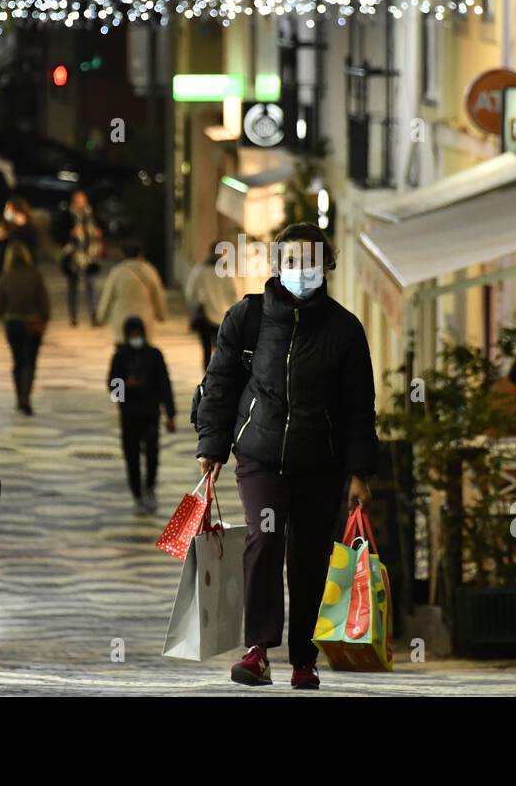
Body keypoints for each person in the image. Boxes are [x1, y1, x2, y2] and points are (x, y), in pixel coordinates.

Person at [194, 222, 378, 690]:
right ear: (277, 266)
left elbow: (359, 407)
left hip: (320, 464)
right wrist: (212, 447)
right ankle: (257, 650)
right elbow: (220, 384)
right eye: (292, 261)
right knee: (264, 540)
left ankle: (304, 658)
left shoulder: (345, 330)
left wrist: (359, 471)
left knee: (309, 559)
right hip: (260, 458)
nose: (301, 271)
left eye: (311, 262)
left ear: (327, 266)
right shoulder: (248, 318)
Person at [108, 316, 176, 514]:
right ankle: (137, 493)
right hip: (129, 415)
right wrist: (125, 386)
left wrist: (170, 413)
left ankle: (150, 487)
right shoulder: (120, 357)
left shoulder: (154, 355)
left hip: (150, 413)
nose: (136, 337)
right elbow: (114, 391)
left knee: (152, 453)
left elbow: (165, 384)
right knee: (132, 456)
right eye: (133, 333)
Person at [0, 241, 51, 415]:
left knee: (17, 361)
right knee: (29, 361)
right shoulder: (35, 275)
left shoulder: (5, 277)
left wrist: (4, 317)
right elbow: (44, 301)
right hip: (31, 323)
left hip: (12, 323)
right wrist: (44, 317)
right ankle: (25, 396)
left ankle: (19, 396)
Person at [95, 242, 166, 343]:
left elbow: (107, 296)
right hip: (144, 321)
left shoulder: (117, 272)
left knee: (122, 351)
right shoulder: (149, 271)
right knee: (145, 351)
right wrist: (161, 314)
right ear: (140, 255)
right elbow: (157, 294)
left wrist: (101, 317)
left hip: (122, 321)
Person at [184, 241, 238, 368]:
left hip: (206, 317)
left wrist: (194, 307)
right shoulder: (228, 272)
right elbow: (234, 294)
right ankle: (219, 377)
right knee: (222, 350)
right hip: (223, 317)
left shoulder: (200, 270)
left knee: (206, 350)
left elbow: (191, 293)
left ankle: (207, 379)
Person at [60, 190, 103, 325]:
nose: (80, 203)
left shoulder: (91, 214)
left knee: (91, 284)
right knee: (73, 285)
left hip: (90, 254)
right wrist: (70, 233)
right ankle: (73, 315)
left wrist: (98, 232)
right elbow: (57, 232)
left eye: (82, 200)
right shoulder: (67, 215)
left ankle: (93, 314)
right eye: (77, 200)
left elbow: (100, 228)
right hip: (74, 255)